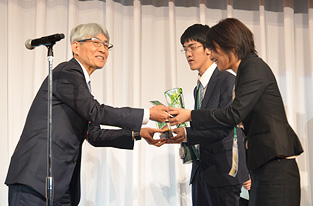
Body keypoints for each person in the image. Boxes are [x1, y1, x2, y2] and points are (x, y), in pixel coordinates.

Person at [5, 23, 169, 206]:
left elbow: (94, 134)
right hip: (36, 178)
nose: (103, 50)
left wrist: (138, 133)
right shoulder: (66, 72)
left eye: (107, 45)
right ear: (76, 47)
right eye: (96, 42)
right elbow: (96, 112)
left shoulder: (81, 84)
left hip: (60, 185)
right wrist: (148, 114)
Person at [169, 18, 303, 206]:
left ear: (229, 45)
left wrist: (191, 115)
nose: (212, 55)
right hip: (262, 166)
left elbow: (233, 115)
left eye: (214, 48)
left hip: (276, 166)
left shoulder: (253, 67)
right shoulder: (244, 72)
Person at [167, 24, 249, 206]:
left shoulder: (228, 80)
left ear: (209, 50)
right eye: (185, 49)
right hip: (201, 173)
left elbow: (223, 128)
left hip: (224, 174)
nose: (188, 54)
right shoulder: (198, 89)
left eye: (193, 47)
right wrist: (183, 134)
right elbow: (203, 126)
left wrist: (187, 134)